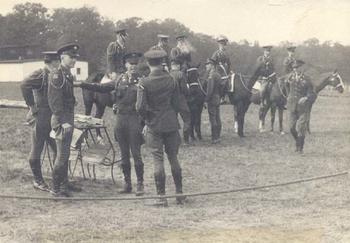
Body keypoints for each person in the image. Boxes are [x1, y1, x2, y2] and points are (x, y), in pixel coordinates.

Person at [76, 52, 145, 196]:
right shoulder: (120, 79)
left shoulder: (142, 81)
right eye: (130, 64)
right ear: (125, 65)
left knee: (136, 154)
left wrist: (144, 123)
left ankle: (140, 184)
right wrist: (83, 84)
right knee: (124, 154)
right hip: (120, 121)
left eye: (135, 64)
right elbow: (103, 88)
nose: (133, 67)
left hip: (134, 120)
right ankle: (127, 184)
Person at [136, 49, 190, 206]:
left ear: (148, 63)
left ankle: (162, 197)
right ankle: (179, 193)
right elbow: (179, 103)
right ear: (162, 63)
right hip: (171, 124)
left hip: (154, 126)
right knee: (173, 158)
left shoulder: (144, 82)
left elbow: (139, 107)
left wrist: (147, 119)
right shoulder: (172, 80)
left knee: (158, 159)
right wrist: (186, 121)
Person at [20, 51, 60, 192]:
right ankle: (38, 180)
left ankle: (58, 180)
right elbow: (24, 84)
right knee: (37, 148)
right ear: (53, 61)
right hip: (41, 116)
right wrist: (31, 106)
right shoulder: (40, 74)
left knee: (58, 149)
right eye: (58, 61)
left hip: (53, 116)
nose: (59, 63)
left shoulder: (55, 74)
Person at [48, 35, 80, 197]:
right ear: (62, 57)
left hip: (68, 118)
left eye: (75, 57)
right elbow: (54, 102)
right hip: (61, 121)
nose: (74, 60)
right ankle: (55, 189)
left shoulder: (67, 74)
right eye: (71, 57)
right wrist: (62, 122)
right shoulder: (57, 75)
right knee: (61, 156)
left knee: (66, 154)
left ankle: (64, 185)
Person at [286, 60, 316, 153]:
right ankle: (298, 143)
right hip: (292, 106)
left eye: (297, 68)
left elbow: (312, 93)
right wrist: (288, 97)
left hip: (303, 107)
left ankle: (300, 148)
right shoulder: (290, 77)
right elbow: (287, 87)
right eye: (294, 68)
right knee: (291, 128)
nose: (295, 70)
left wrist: (306, 97)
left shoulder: (307, 79)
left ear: (301, 68)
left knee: (301, 128)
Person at [170, 60, 191, 144]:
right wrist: (188, 94)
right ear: (178, 66)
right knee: (187, 119)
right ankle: (186, 140)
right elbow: (184, 89)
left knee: (173, 120)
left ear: (171, 66)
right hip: (181, 100)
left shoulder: (167, 74)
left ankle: (175, 140)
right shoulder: (180, 74)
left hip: (171, 101)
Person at [205, 58, 222, 144]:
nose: (206, 66)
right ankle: (218, 137)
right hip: (218, 97)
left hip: (212, 99)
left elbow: (210, 90)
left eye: (207, 64)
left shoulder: (211, 75)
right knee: (217, 118)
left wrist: (206, 99)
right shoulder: (218, 75)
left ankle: (214, 138)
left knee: (213, 118)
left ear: (212, 65)